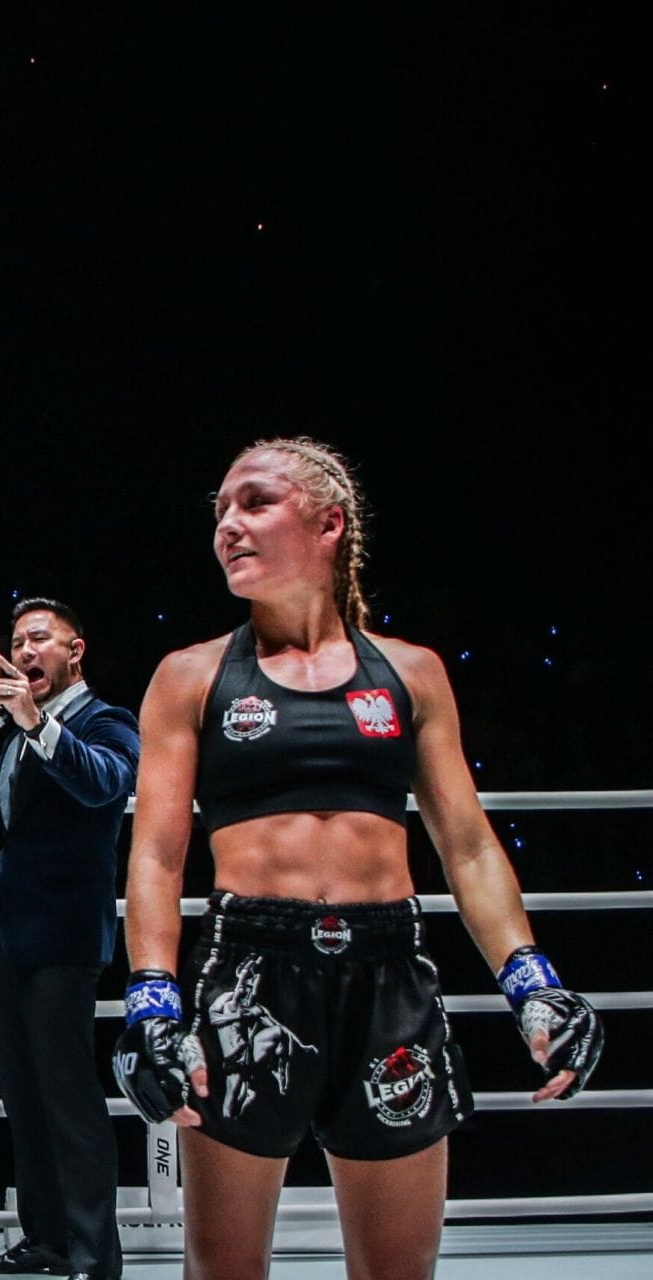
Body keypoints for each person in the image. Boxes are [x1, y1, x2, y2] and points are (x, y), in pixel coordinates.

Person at [112, 437, 603, 1279]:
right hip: (251, 979)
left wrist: (534, 982)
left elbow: (468, 845)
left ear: (329, 522)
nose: (229, 524)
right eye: (220, 511)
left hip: (390, 981)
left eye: (255, 503)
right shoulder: (190, 677)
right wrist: (152, 1002)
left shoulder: (411, 673)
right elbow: (157, 855)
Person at [0, 599, 138, 1279]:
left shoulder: (107, 722)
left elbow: (104, 784)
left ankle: (93, 1252)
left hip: (66, 935)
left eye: (39, 639)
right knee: (23, 1096)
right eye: (16, 642)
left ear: (73, 651)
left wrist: (35, 724)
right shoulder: (11, 735)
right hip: (11, 935)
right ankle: (47, 1239)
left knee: (68, 1096)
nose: (24, 652)